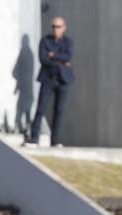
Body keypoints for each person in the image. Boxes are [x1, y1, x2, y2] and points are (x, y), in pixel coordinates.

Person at [26, 16, 74, 148]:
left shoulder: (68, 42)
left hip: (63, 80)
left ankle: (55, 140)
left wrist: (53, 55)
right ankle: (34, 138)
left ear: (64, 28)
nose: (55, 29)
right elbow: (43, 59)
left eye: (58, 27)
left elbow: (68, 56)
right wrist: (61, 62)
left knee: (59, 110)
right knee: (41, 108)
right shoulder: (45, 41)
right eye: (53, 26)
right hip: (48, 79)